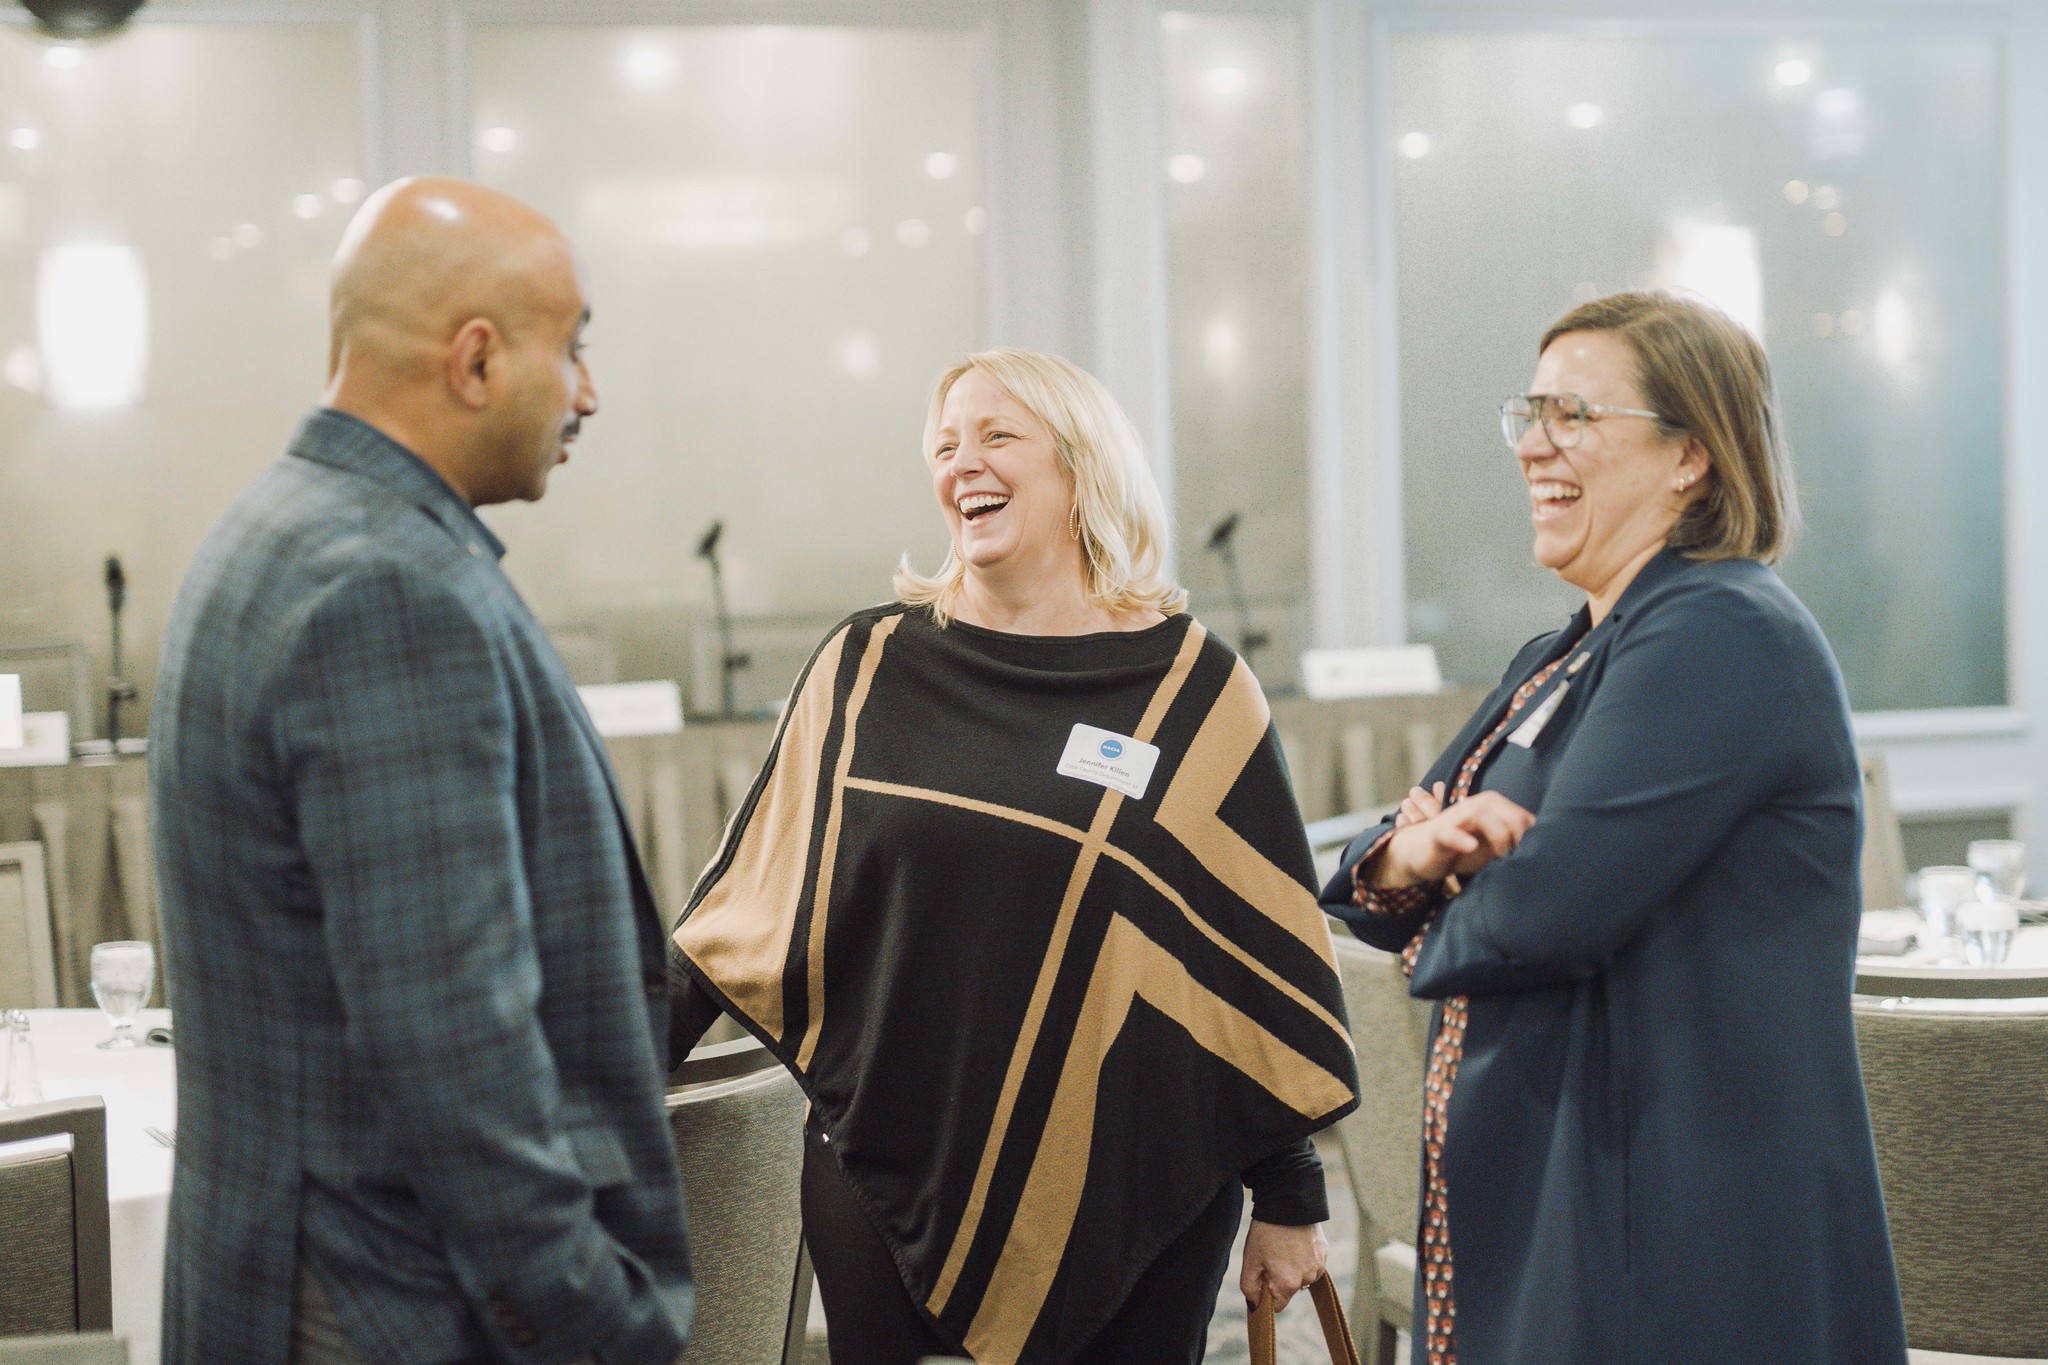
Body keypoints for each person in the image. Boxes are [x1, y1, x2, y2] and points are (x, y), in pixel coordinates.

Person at [668, 348, 1358, 1365]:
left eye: (997, 435)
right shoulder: (866, 668)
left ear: (1081, 466)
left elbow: (1244, 964)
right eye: (945, 445)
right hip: (882, 1172)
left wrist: (1290, 1197)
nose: (962, 463)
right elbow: (743, 907)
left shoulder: (1192, 691)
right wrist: (592, 1081)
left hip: (1137, 1194)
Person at [149, 178, 692, 1365]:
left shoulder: (277, 526)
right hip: (392, 1303)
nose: (589, 393)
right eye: (574, 347)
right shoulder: (384, 589)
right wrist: (592, 1318)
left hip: (301, 1269)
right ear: (477, 360)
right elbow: (454, 1053)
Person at [1322, 291, 1908, 1364]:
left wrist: (1448, 887)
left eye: (1575, 416)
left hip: (1676, 1216)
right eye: (1529, 413)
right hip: (1568, 1178)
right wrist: (1412, 855)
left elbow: (1540, 917)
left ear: (1691, 454)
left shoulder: (1722, 630)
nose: (1532, 447)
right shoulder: (1566, 650)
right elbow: (1372, 881)